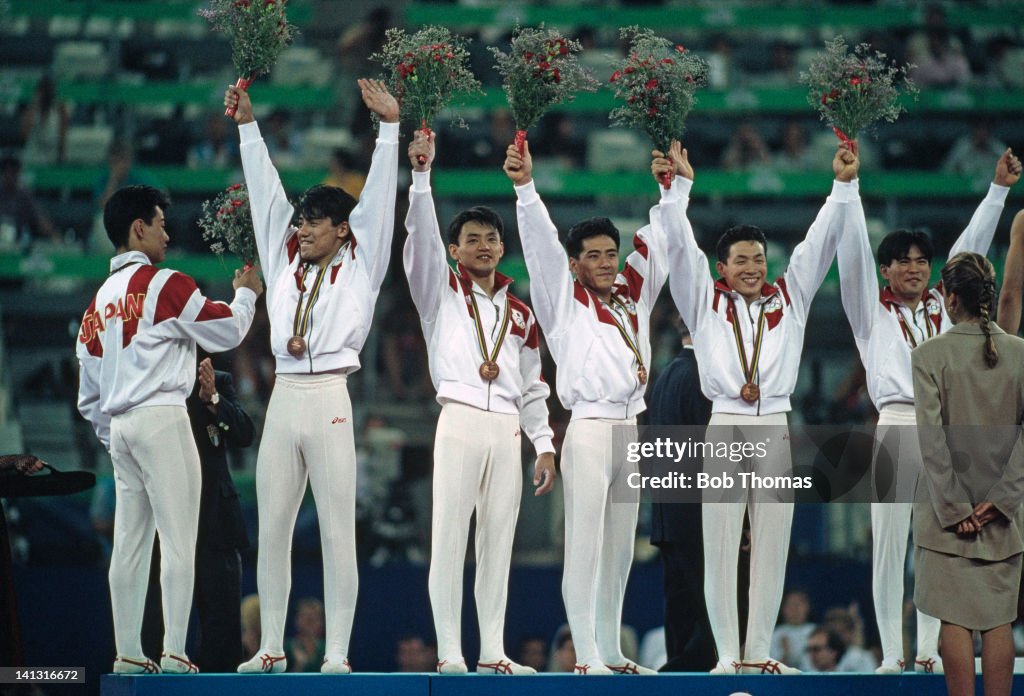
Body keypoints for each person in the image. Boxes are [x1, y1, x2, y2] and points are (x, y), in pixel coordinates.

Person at [658, 139, 860, 674]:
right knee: (720, 543)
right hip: (724, 421)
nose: (752, 267)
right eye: (740, 260)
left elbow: (817, 247)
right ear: (721, 268)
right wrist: (679, 190)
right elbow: (679, 249)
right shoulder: (704, 301)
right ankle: (727, 654)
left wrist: (841, 187)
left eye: (758, 259)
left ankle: (758, 651)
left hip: (774, 422)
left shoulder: (788, 299)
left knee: (772, 544)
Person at [225, 78, 399, 675]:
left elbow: (378, 199)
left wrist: (391, 130)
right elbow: (263, 189)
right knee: (270, 528)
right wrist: (247, 124)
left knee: (335, 534)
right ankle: (270, 645)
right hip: (284, 398)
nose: (302, 230)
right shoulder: (283, 256)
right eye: (301, 222)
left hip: (328, 395)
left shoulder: (363, 260)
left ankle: (338, 654)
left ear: (343, 230)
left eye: (316, 223)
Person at [837, 148, 1020, 674]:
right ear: (886, 270)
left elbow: (971, 248)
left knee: (941, 547)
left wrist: (997, 192)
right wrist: (848, 191)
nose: (915, 269)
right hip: (895, 425)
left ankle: (928, 651)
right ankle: (892, 652)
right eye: (904, 261)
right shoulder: (869, 310)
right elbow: (851, 256)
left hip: (947, 429)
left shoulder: (946, 303)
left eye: (922, 261)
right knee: (890, 546)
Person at [76, 185, 261, 674]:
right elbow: (226, 330)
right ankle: (176, 651)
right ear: (139, 228)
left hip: (120, 428)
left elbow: (88, 395)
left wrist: (116, 432)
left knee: (130, 544)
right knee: (180, 539)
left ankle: (128, 653)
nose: (166, 232)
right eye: (160, 223)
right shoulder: (162, 283)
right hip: (162, 416)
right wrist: (245, 294)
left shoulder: (96, 307)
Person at [503, 139, 668, 676]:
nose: (603, 262)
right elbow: (541, 245)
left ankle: (612, 649)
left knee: (621, 548)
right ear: (575, 264)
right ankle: (586, 654)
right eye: (592, 256)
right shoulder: (562, 298)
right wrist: (525, 187)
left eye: (609, 254)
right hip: (591, 427)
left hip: (630, 428)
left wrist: (673, 187)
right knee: (585, 545)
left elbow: (661, 241)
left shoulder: (633, 292)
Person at [405, 132, 556, 675]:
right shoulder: (438, 293)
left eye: (491, 237)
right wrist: (421, 179)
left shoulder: (520, 312)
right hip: (462, 419)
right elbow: (419, 241)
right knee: (449, 539)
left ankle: (492, 649)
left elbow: (535, 385)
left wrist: (544, 444)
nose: (484, 245)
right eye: (472, 239)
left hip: (508, 427)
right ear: (454, 249)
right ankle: (450, 651)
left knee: (498, 542)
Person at [912, 251, 1024, 696]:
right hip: (1005, 515)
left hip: (946, 518)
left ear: (950, 297)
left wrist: (956, 507)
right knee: (998, 620)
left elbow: (931, 441)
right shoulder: (1020, 354)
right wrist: (1001, 500)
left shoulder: (928, 354)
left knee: (953, 619)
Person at [140, 358, 256, 672]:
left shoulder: (215, 380)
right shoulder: (146, 379)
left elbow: (245, 433)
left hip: (215, 523)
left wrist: (213, 401)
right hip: (165, 522)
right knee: (157, 628)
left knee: (222, 631)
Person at [647, 320, 717, 672]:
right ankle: (686, 672)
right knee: (712, 607)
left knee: (680, 604)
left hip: (667, 512)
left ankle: (676, 674)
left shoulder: (666, 374)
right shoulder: (705, 378)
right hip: (699, 512)